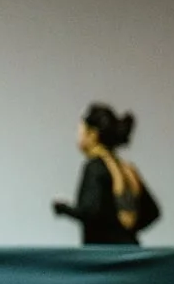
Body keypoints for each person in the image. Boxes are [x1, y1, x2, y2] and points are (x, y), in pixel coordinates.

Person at [53, 103, 160, 245]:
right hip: (131, 251)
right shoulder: (127, 170)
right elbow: (152, 212)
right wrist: (123, 232)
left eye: (80, 131)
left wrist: (62, 208)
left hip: (103, 256)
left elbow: (90, 211)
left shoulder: (95, 167)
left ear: (92, 134)